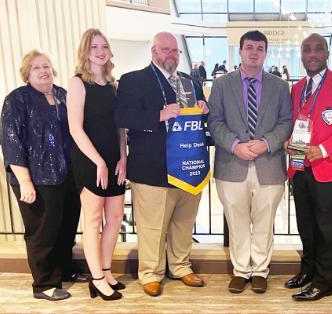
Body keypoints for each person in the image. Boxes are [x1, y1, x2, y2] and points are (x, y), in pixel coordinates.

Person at [115, 32, 209, 297]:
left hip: (188, 169)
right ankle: (151, 273)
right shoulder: (134, 80)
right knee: (153, 227)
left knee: (183, 223)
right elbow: (122, 116)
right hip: (152, 170)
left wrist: (204, 106)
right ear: (154, 52)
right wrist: (158, 115)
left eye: (175, 51)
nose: (171, 55)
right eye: (165, 50)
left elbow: (199, 118)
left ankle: (180, 266)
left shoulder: (191, 82)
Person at [208, 30, 293, 294]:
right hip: (231, 165)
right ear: (240, 50)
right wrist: (235, 145)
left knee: (265, 221)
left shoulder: (280, 86)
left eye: (259, 48)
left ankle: (260, 270)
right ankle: (241, 270)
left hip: (269, 165)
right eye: (249, 47)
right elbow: (215, 121)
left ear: (265, 53)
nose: (254, 52)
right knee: (237, 220)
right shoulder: (221, 84)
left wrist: (267, 142)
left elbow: (286, 122)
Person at [0, 50, 86, 301]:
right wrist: (25, 181)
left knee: (66, 227)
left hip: (67, 175)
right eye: (36, 67)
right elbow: (12, 142)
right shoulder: (17, 100)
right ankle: (44, 284)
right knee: (42, 232)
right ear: (27, 74)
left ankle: (66, 270)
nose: (43, 71)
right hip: (37, 178)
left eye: (46, 66)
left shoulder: (63, 95)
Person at [284, 34, 332, 301]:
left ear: (327, 53)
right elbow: (298, 124)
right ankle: (308, 271)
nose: (313, 54)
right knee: (306, 225)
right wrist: (289, 141)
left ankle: (324, 281)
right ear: (302, 55)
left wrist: (324, 149)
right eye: (307, 50)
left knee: (327, 229)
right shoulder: (297, 88)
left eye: (318, 49)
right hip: (300, 167)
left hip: (330, 169)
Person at [67, 28, 126, 301]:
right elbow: (75, 129)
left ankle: (105, 269)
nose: (100, 51)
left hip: (114, 160)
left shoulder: (114, 86)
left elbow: (120, 128)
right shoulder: (78, 83)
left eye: (104, 46)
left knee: (114, 219)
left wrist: (123, 158)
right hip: (90, 160)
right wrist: (99, 161)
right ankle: (97, 278)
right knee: (93, 222)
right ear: (85, 52)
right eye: (94, 47)